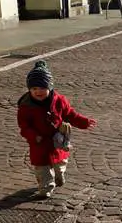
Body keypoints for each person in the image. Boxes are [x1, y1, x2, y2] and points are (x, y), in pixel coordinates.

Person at [17, 61, 97, 199]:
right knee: (42, 168)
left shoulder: (59, 100)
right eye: (34, 88)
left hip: (57, 140)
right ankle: (45, 188)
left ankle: (59, 175)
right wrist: (33, 136)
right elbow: (24, 126)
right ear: (29, 89)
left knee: (59, 163)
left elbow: (70, 114)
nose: (38, 92)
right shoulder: (26, 107)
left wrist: (83, 122)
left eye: (42, 88)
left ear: (49, 87)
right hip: (39, 143)